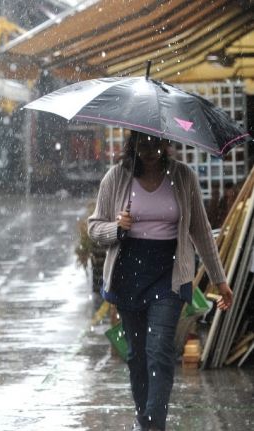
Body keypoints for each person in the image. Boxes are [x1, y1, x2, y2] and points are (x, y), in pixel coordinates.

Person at [87, 131, 233, 431]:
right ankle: (145, 420)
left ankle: (155, 424)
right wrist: (116, 227)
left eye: (156, 142)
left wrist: (220, 280)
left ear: (167, 143)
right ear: (133, 144)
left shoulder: (182, 177)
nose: (151, 149)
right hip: (128, 274)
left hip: (170, 272)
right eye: (143, 143)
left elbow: (201, 231)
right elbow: (94, 227)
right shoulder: (116, 178)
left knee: (160, 349)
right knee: (137, 356)